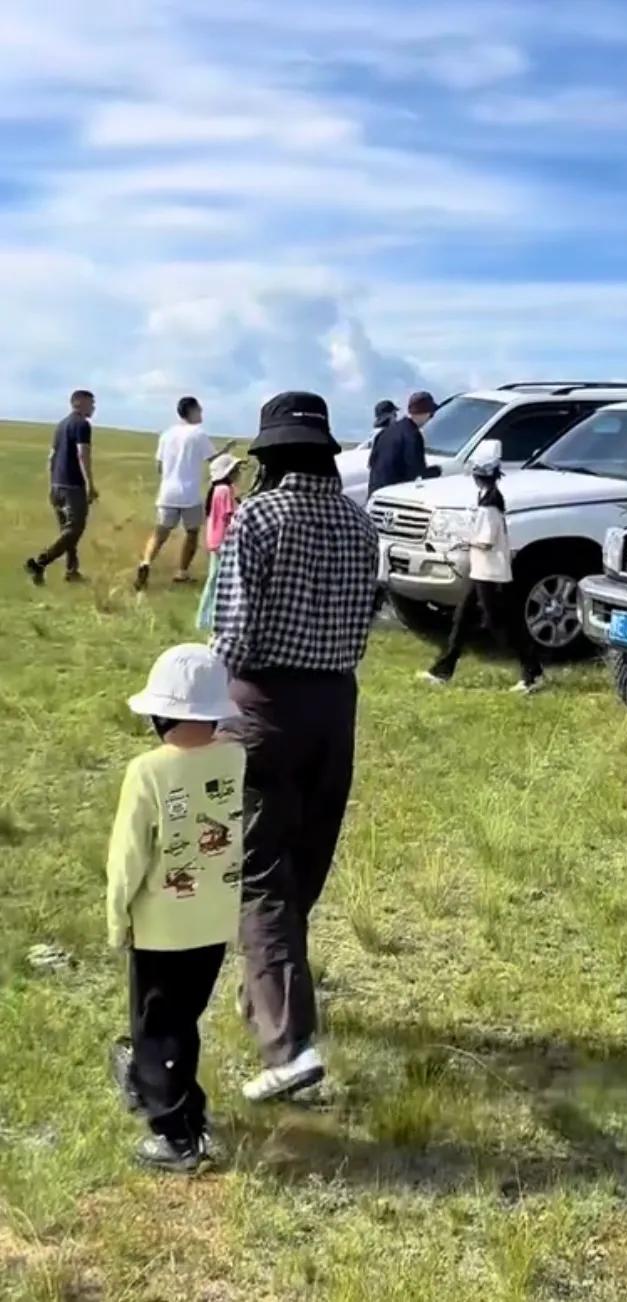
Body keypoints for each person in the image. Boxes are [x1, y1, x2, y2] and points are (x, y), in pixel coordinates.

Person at [212, 391, 379, 1102]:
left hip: (262, 707)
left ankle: (289, 1047)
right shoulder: (360, 524)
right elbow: (365, 626)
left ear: (270, 457)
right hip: (334, 706)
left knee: (257, 873)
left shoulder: (258, 515)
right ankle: (269, 995)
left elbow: (233, 634)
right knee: (303, 860)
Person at [106, 643, 244, 1173]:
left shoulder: (147, 772)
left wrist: (118, 917)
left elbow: (128, 858)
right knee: (182, 1020)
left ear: (159, 715)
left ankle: (175, 1135)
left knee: (155, 1027)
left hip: (162, 929)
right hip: (214, 922)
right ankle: (182, 1103)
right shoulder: (234, 757)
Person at [419, 441, 544, 693]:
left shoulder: (490, 505)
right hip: (481, 571)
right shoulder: (487, 498)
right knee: (462, 619)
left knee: (499, 624)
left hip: (491, 574)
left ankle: (532, 672)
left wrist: (461, 540)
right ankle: (443, 670)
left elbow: (485, 540)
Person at [135, 396, 234, 591]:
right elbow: (214, 461)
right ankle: (182, 571)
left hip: (167, 492)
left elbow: (159, 465)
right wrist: (227, 449)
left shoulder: (166, 434)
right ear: (192, 410)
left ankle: (145, 562)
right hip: (189, 494)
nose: (202, 413)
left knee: (160, 532)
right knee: (192, 532)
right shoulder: (198, 434)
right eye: (200, 410)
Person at [25, 389, 98, 585]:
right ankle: (40, 562)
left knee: (67, 532)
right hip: (72, 486)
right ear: (79, 403)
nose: (94, 407)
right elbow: (83, 455)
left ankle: (71, 571)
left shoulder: (61, 425)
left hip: (57, 485)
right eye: (91, 403)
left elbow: (51, 457)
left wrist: (52, 485)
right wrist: (90, 484)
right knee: (74, 529)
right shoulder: (82, 424)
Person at [196, 454, 244, 632]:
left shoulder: (217, 489)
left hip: (215, 540)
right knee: (217, 579)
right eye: (236, 469)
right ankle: (207, 619)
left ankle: (206, 618)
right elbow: (230, 516)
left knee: (214, 578)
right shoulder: (225, 490)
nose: (239, 473)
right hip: (223, 541)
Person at [367, 390, 442, 498]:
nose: (431, 417)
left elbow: (371, 463)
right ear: (425, 413)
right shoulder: (413, 436)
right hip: (393, 499)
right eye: (431, 414)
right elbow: (416, 472)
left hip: (374, 496)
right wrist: (437, 471)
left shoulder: (385, 432)